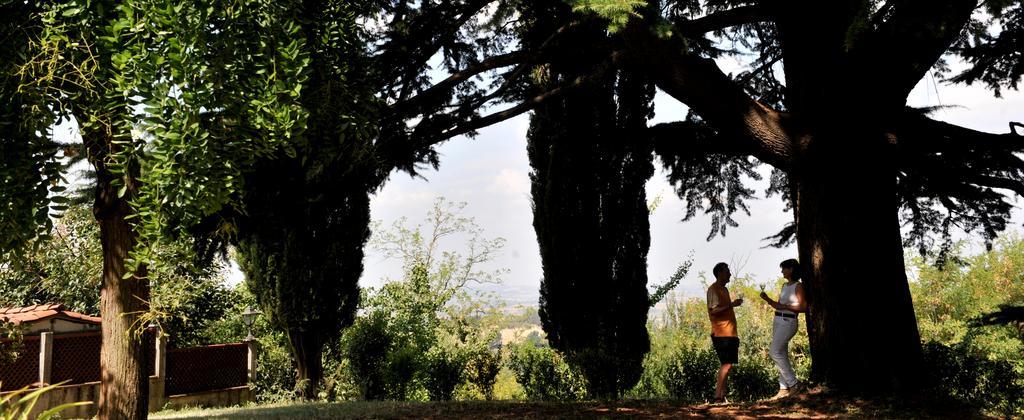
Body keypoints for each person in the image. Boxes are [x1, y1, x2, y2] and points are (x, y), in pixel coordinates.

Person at [759, 258, 808, 399]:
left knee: (774, 352)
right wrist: (767, 299)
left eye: (784, 268)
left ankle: (794, 384)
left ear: (791, 269)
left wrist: (786, 307)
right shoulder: (785, 286)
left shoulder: (798, 286)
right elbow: (778, 305)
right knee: (781, 353)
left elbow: (804, 307)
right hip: (778, 320)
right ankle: (783, 388)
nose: (782, 271)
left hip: (789, 321)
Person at [706, 262, 743, 403]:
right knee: (726, 364)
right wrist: (731, 305)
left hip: (730, 333)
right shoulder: (713, 289)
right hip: (721, 333)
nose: (730, 274)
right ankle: (717, 397)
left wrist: (732, 305)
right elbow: (713, 311)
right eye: (727, 271)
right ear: (720, 273)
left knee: (728, 364)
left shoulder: (725, 290)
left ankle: (722, 396)